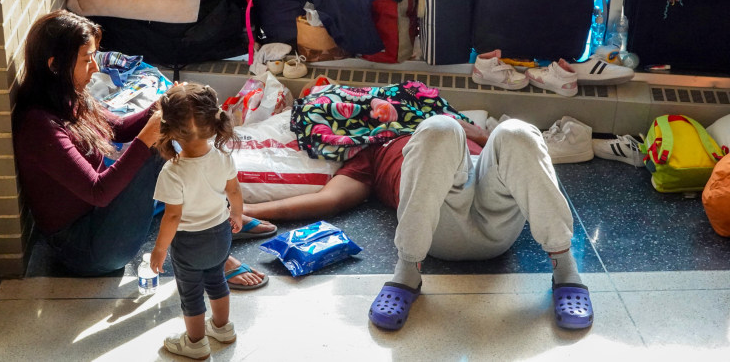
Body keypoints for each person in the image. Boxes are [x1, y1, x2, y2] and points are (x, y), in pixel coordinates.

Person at [244, 115, 594, 331]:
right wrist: (247, 210)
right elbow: (329, 200)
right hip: (440, 227)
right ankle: (407, 272)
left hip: (496, 214)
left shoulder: (457, 129)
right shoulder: (374, 151)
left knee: (516, 131)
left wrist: (480, 132)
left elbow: (520, 158)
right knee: (437, 129)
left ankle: (565, 268)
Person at [13, 10, 273, 287]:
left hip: (103, 216)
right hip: (86, 249)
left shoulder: (68, 96)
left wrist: (162, 103)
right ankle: (212, 246)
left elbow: (118, 127)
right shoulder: (39, 126)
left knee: (169, 129)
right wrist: (148, 136)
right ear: (54, 65)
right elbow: (97, 192)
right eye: (87, 60)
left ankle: (216, 219)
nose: (95, 68)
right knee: (160, 145)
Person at [149, 82, 242, 359]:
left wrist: (160, 248)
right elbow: (234, 190)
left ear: (170, 129)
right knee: (217, 280)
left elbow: (173, 216)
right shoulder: (223, 157)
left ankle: (195, 342)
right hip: (221, 233)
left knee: (191, 294)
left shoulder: (173, 172)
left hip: (189, 244)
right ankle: (223, 328)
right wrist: (236, 214)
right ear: (213, 124)